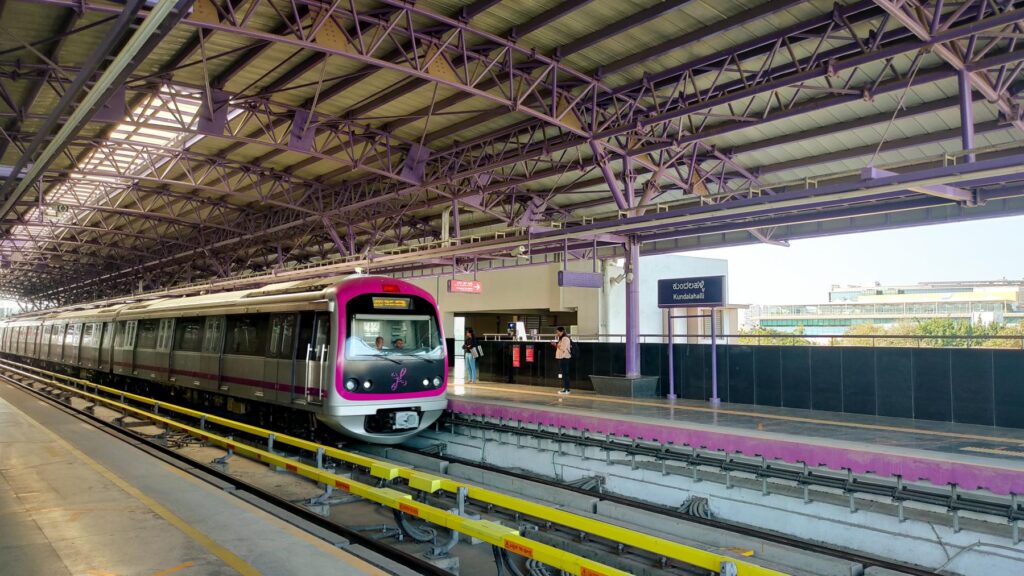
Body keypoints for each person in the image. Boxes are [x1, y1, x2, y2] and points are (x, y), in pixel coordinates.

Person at [552, 326, 571, 395]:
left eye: (558, 332)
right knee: (564, 373)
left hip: (565, 358)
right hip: (562, 358)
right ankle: (566, 388)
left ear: (562, 332)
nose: (557, 333)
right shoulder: (562, 338)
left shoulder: (565, 338)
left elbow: (563, 348)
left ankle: (567, 389)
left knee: (565, 374)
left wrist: (555, 345)